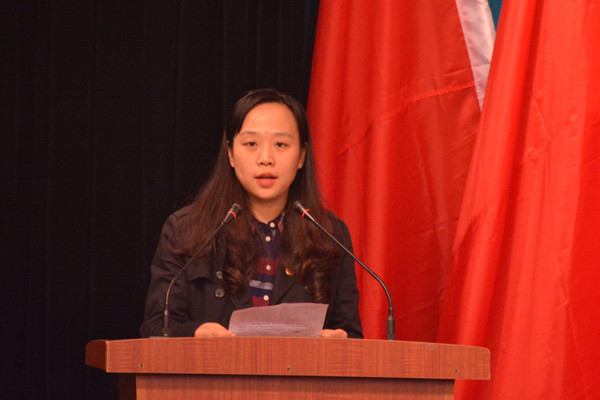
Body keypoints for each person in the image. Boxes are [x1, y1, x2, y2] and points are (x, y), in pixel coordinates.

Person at [140, 89, 363, 339]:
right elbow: (156, 327)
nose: (265, 159)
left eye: (280, 145)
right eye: (251, 144)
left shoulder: (330, 235)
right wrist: (196, 333)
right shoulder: (185, 231)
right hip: (212, 365)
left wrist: (340, 341)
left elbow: (351, 333)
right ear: (231, 154)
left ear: (301, 155)